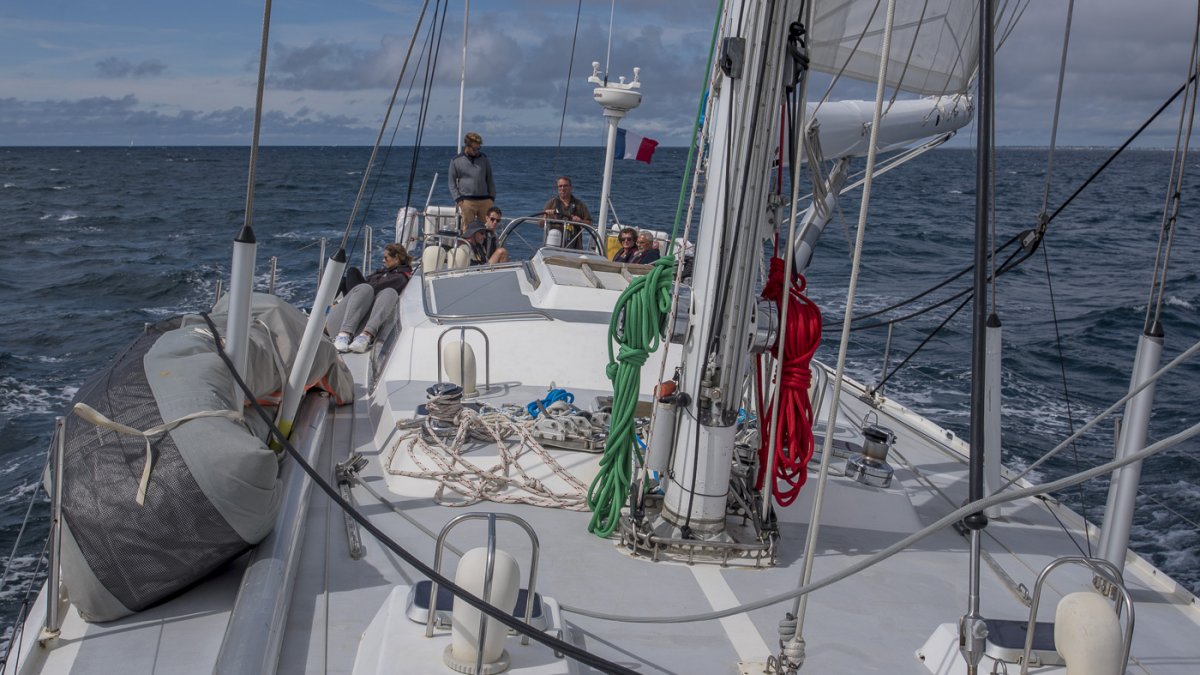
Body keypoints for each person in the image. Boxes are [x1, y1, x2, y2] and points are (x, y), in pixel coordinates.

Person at [327, 243, 412, 354]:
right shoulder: (386, 272)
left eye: (386, 258)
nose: (383, 260)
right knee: (350, 279)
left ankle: (365, 337)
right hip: (355, 308)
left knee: (386, 291)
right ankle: (340, 329)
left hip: (365, 308)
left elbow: (374, 289)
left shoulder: (399, 277)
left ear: (396, 258)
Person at [448, 132, 496, 229]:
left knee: (486, 229)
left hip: (485, 200)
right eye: (474, 149)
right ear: (467, 146)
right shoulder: (456, 160)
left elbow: (489, 178)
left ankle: (486, 244)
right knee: (468, 229)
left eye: (479, 148)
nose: (477, 151)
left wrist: (491, 198)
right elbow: (451, 183)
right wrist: (459, 200)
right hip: (467, 201)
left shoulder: (484, 159)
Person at [542, 176, 592, 249]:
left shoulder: (579, 205)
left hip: (575, 248)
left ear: (571, 188)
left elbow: (590, 224)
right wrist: (547, 216)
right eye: (560, 186)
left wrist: (580, 221)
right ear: (558, 188)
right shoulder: (551, 204)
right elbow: (540, 224)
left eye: (565, 186)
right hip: (553, 247)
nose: (562, 188)